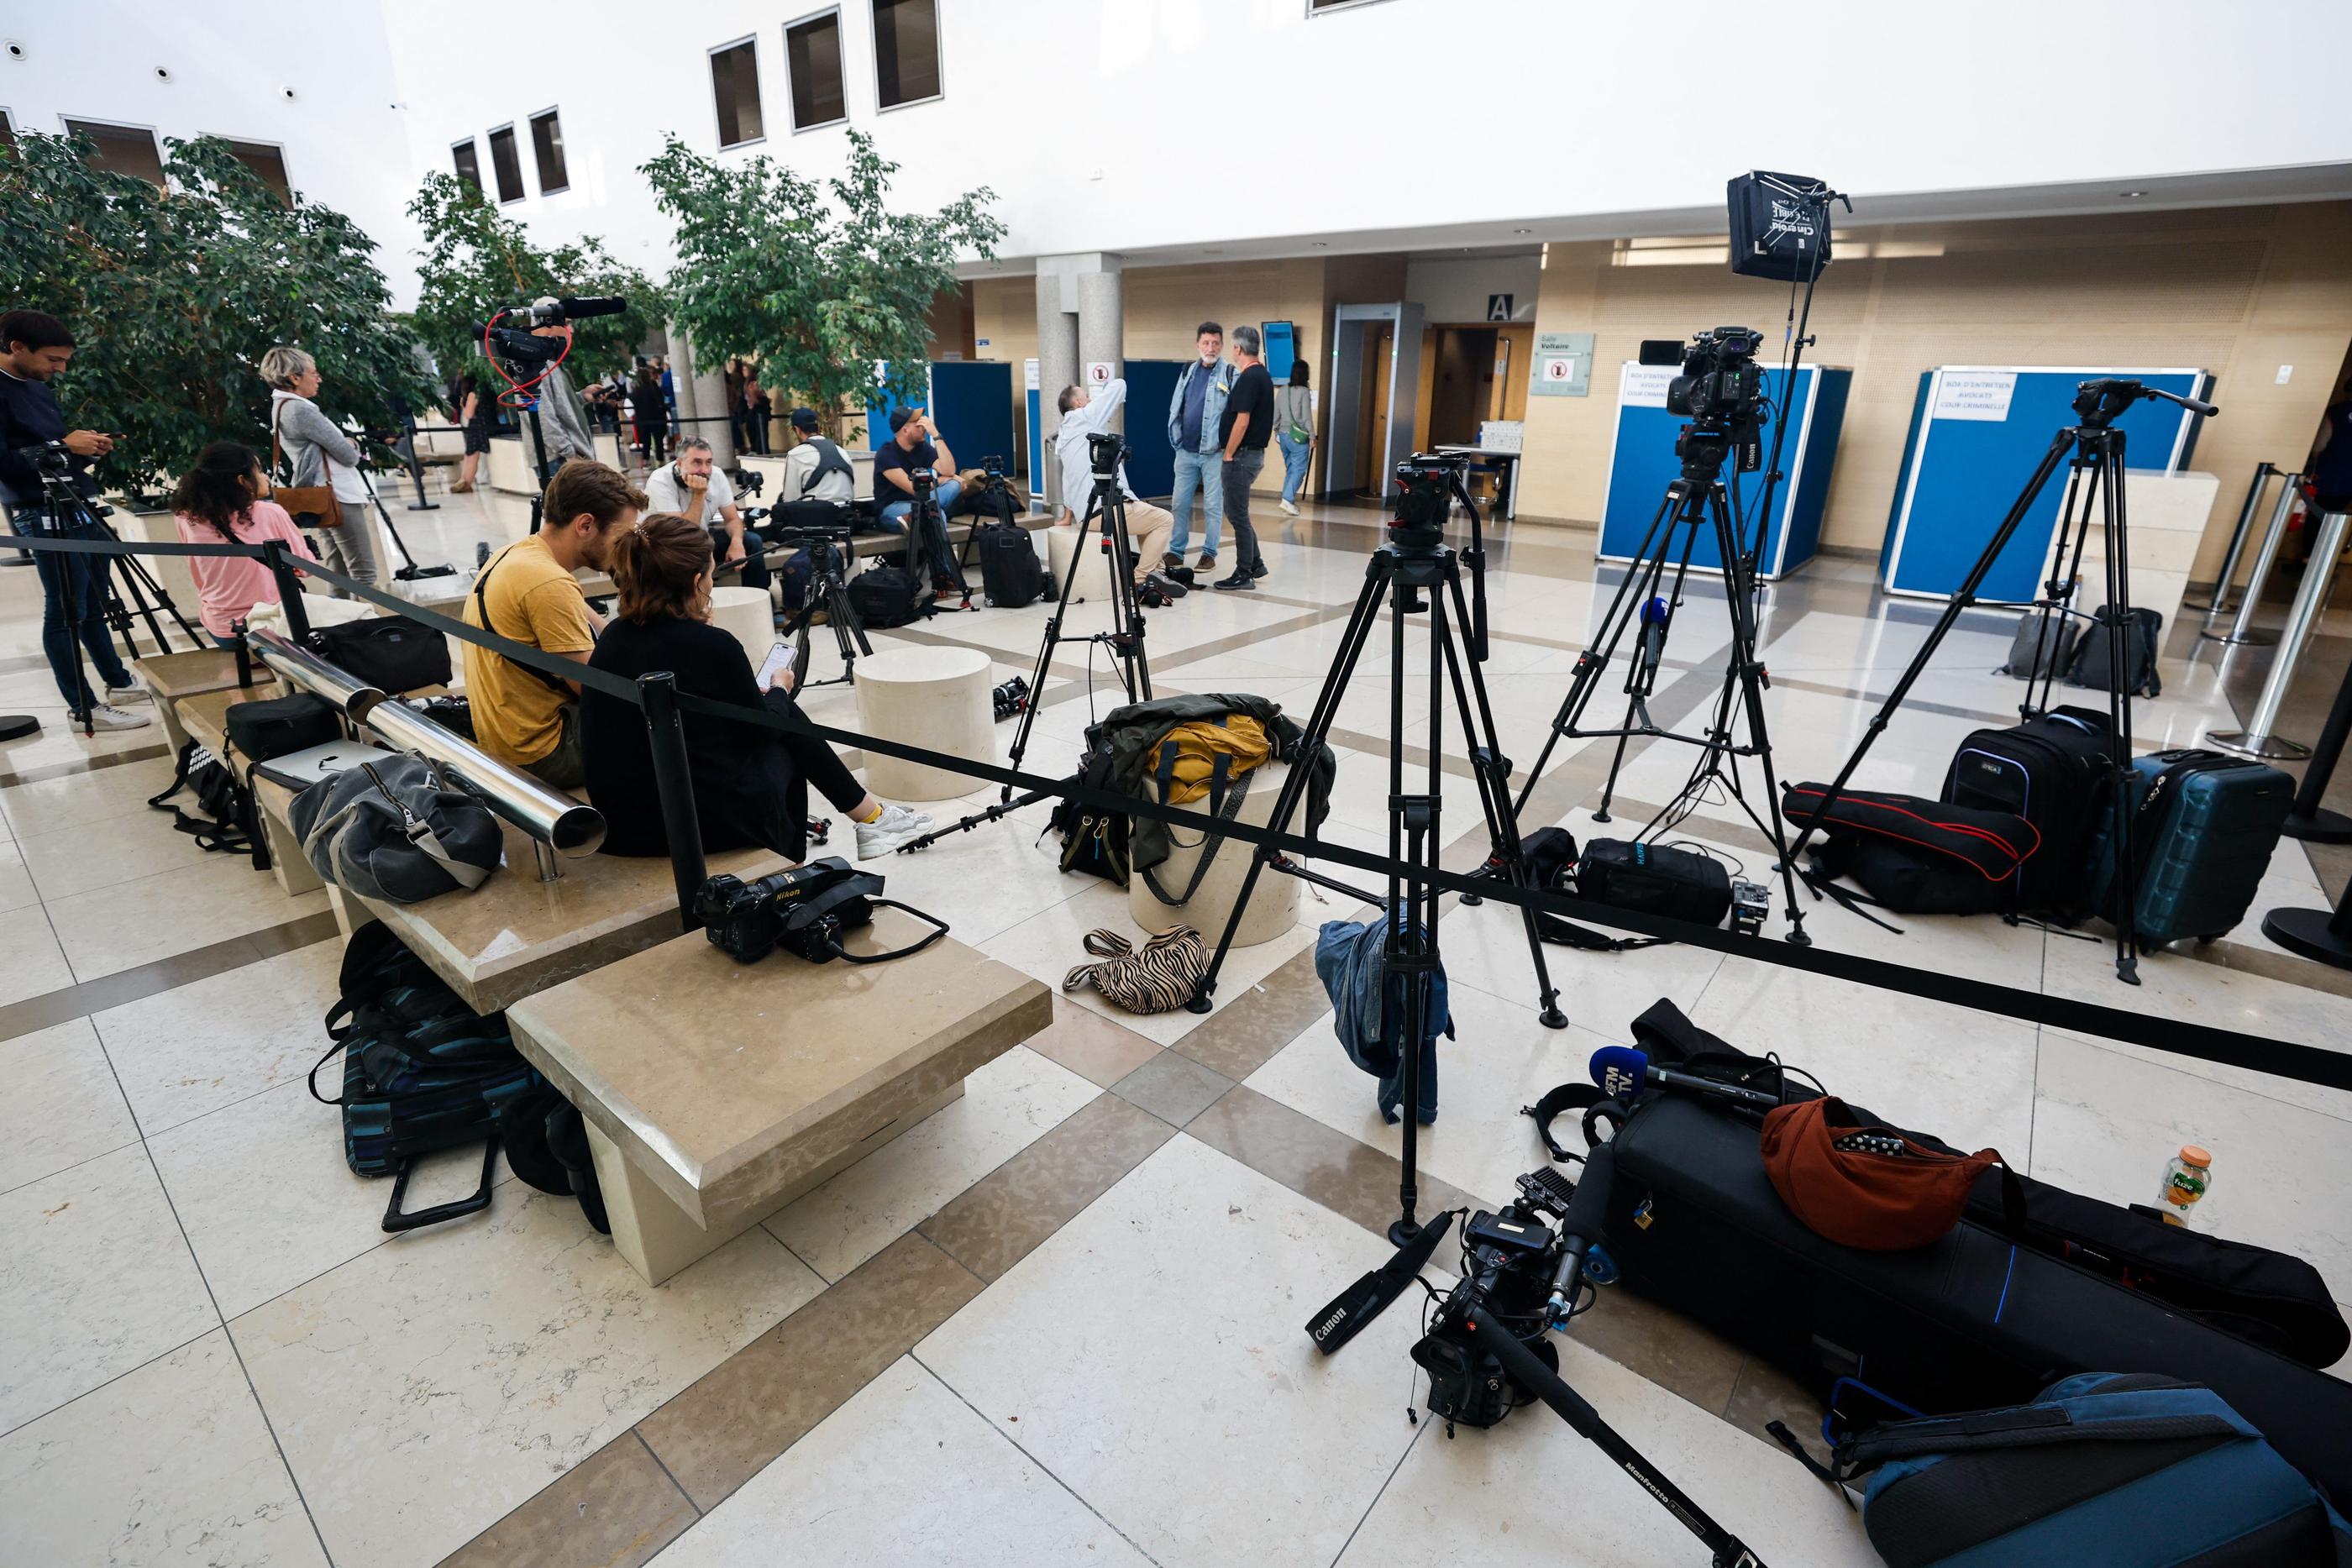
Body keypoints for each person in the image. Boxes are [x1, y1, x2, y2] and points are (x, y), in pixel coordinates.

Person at [581, 511, 937, 861]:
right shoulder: (712, 645)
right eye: (711, 573)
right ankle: (863, 822)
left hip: (623, 822)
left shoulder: (614, 637)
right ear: (695, 582)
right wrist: (780, 688)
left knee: (778, 715)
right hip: (686, 828)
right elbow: (760, 735)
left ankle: (871, 818)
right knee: (786, 730)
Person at [0, 310, 150, 730]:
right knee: (64, 611)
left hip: (77, 502)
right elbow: (6, 464)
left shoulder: (37, 386)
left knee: (93, 605)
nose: (60, 369)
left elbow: (53, 456)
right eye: (53, 359)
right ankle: (82, 706)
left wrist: (84, 450)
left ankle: (116, 681)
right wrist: (61, 444)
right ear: (16, 347)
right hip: (40, 512)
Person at [462, 458, 645, 788]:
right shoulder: (548, 583)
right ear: (585, 525)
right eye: (621, 536)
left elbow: (601, 631)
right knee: (679, 728)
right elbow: (598, 690)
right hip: (543, 752)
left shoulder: (517, 553)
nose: (624, 548)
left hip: (506, 736)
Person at [260, 344, 381, 595]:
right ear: (294, 377)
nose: (319, 378)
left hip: (321, 496)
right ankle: (370, 630)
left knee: (338, 569)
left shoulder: (281, 406)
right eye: (313, 373)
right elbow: (348, 456)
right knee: (363, 571)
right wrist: (352, 442)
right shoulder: (300, 409)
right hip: (338, 495)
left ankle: (340, 627)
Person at [171, 441, 318, 647]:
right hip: (277, 626)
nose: (265, 477)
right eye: (259, 471)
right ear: (243, 481)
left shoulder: (186, 518)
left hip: (224, 631)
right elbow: (304, 568)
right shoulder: (270, 513)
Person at [1054, 379, 1188, 603]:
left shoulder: (1066, 436)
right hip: (1108, 510)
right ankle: (1141, 579)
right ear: (1078, 403)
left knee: (1148, 516)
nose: (1091, 400)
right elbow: (1119, 385)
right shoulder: (1084, 417)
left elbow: (1067, 484)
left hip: (1089, 515)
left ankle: (1159, 572)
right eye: (1087, 396)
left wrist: (1067, 517)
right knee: (1164, 520)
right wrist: (1104, 387)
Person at [644, 436, 769, 593]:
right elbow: (683, 534)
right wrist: (699, 494)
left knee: (752, 542)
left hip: (702, 537)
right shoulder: (660, 481)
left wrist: (736, 542)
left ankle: (758, 597)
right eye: (697, 462)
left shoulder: (716, 475)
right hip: (670, 545)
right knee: (697, 551)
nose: (704, 470)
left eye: (708, 462)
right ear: (680, 464)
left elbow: (732, 519)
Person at [1164, 322, 1235, 574]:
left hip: (1214, 453)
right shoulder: (1188, 371)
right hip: (1185, 451)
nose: (1211, 347)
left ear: (1222, 345)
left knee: (1213, 506)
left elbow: (1237, 414)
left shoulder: (1230, 374)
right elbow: (1177, 406)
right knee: (1179, 504)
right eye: (1206, 342)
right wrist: (1176, 439)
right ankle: (1176, 551)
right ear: (1198, 344)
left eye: (1216, 343)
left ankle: (1209, 553)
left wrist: (1229, 449)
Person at [874, 406, 966, 593]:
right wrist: (943, 480)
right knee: (936, 512)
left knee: (954, 486)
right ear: (905, 429)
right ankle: (944, 574)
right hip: (893, 508)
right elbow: (914, 488)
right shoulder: (886, 453)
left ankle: (918, 516)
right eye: (919, 424)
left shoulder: (923, 448)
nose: (924, 427)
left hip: (925, 501)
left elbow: (948, 469)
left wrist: (937, 436)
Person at [1213, 325, 1276, 590]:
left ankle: (1244, 573)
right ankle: (1256, 563)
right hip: (1249, 455)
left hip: (1241, 456)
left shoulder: (1250, 378)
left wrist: (1228, 453)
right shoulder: (1262, 375)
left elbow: (1242, 420)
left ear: (1237, 348)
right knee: (1238, 512)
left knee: (1237, 515)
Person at [513, 302, 596, 480]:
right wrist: (568, 454)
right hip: (557, 459)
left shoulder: (548, 360)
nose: (570, 330)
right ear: (548, 322)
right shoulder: (533, 364)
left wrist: (582, 397)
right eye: (566, 323)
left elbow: (558, 405)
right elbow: (542, 416)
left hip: (566, 455)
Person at [781, 407, 856, 508]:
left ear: (797, 430)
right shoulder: (841, 451)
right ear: (818, 427)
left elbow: (790, 499)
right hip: (846, 513)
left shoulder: (796, 455)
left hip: (815, 517)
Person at [1274, 356, 1316, 515]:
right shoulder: (1304, 392)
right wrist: (1312, 436)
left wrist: (1276, 431)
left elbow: (1276, 413)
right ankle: (1287, 498)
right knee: (1298, 469)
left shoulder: (1283, 389)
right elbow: (1306, 417)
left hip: (1283, 436)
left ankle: (1287, 500)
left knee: (1291, 468)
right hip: (1298, 437)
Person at [450, 371, 492, 494]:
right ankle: (464, 481)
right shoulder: (480, 394)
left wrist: (463, 407)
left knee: (471, 455)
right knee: (470, 455)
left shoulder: (472, 395)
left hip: (476, 427)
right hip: (479, 426)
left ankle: (466, 482)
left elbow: (469, 414)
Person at [631, 360, 668, 464]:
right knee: (658, 440)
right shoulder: (653, 388)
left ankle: (646, 459)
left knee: (646, 440)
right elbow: (660, 401)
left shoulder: (636, 391)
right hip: (656, 418)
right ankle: (660, 459)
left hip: (642, 419)